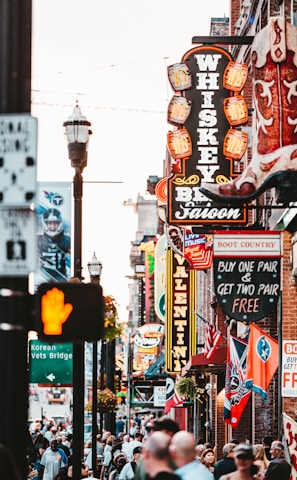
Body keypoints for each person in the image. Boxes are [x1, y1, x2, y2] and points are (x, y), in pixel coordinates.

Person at [38, 207, 71, 280]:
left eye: (55, 223)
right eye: (49, 223)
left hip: (62, 277)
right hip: (42, 277)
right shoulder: (37, 240)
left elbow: (73, 261)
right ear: (45, 223)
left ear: (60, 223)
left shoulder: (68, 241)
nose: (52, 226)